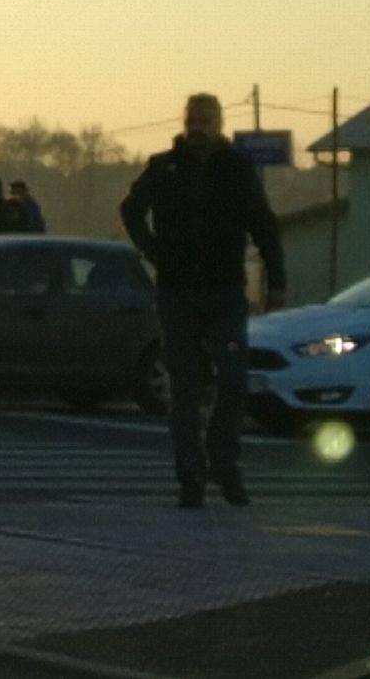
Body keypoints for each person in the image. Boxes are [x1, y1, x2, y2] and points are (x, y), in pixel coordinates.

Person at [120, 93, 286, 509]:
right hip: (177, 293)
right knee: (186, 389)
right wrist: (154, 250)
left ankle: (224, 463)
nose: (198, 127)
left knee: (233, 380)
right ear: (185, 121)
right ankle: (191, 479)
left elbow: (263, 225)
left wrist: (276, 281)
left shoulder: (236, 168)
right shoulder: (163, 168)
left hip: (226, 292)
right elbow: (131, 210)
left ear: (219, 123)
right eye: (193, 119)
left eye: (206, 120)